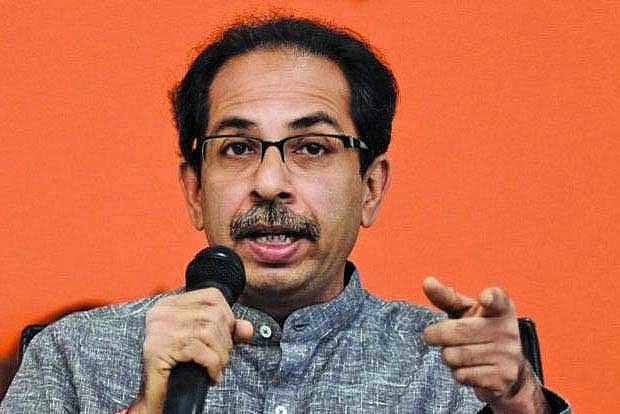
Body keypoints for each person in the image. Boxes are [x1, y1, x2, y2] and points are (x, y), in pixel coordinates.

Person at [0, 16, 570, 414]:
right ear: (194, 189)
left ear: (370, 188)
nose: (270, 183)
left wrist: (522, 403)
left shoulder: (452, 370)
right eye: (238, 148)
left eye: (312, 148)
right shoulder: (74, 358)